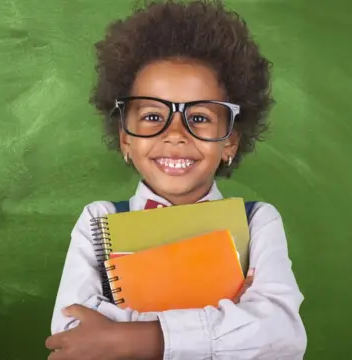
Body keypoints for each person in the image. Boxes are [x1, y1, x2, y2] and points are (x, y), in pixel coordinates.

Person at [45, 1, 307, 359]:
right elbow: (73, 336)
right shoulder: (97, 219)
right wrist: (232, 322)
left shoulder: (259, 221)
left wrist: (128, 338)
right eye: (153, 115)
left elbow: (282, 336)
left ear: (230, 140)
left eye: (199, 118)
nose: (175, 134)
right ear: (125, 138)